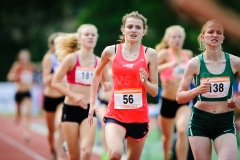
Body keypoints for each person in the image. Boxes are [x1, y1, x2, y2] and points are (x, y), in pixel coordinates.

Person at [88, 11, 158, 160]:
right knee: (115, 154)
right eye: (130, 26)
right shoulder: (110, 51)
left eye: (138, 28)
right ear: (123, 29)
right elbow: (96, 74)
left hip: (139, 117)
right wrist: (92, 103)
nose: (133, 30)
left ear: (144, 31)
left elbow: (154, 91)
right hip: (115, 114)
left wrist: (145, 82)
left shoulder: (150, 54)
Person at [176, 19, 239, 160]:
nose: (215, 35)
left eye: (219, 33)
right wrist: (196, 90)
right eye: (210, 32)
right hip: (200, 121)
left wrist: (238, 100)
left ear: (223, 38)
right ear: (202, 37)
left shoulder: (235, 62)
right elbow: (179, 97)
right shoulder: (194, 63)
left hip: (225, 121)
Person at [52, 24, 108, 160]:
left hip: (89, 110)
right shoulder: (71, 59)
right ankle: (69, 147)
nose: (90, 37)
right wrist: (73, 95)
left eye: (93, 35)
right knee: (75, 156)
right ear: (79, 39)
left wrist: (114, 84)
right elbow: (55, 82)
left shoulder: (99, 62)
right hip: (70, 109)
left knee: (86, 152)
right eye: (87, 34)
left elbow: (107, 84)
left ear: (96, 39)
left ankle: (73, 147)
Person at [156, 25, 193, 160]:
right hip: (167, 101)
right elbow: (151, 69)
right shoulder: (164, 54)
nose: (177, 40)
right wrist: (170, 65)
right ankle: (166, 157)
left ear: (183, 39)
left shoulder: (187, 54)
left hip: (184, 100)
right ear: (168, 39)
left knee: (182, 131)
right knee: (167, 138)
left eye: (179, 37)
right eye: (174, 37)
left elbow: (195, 71)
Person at [42, 32, 65, 160]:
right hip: (50, 98)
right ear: (51, 45)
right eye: (56, 43)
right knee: (50, 131)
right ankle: (52, 147)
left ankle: (60, 155)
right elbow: (46, 79)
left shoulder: (68, 58)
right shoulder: (49, 59)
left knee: (60, 124)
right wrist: (60, 73)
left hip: (62, 97)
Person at [7, 49, 35, 141]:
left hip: (27, 93)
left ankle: (26, 132)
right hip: (18, 92)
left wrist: (32, 83)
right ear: (20, 58)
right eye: (22, 58)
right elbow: (9, 77)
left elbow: (34, 78)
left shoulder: (31, 66)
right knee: (19, 113)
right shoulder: (17, 66)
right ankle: (18, 115)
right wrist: (17, 76)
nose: (24, 60)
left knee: (27, 113)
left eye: (26, 58)